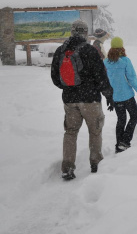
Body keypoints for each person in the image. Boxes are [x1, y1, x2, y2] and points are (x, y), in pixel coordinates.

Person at [51, 20, 114, 180]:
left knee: (70, 132)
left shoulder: (60, 51)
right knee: (95, 131)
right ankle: (96, 163)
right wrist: (108, 94)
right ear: (85, 33)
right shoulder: (90, 51)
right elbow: (101, 75)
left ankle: (67, 167)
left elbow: (55, 77)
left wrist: (69, 89)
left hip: (69, 100)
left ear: (72, 32)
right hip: (90, 99)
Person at [104, 37, 137, 153]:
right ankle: (125, 141)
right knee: (134, 116)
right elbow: (132, 79)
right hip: (127, 97)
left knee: (121, 120)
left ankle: (118, 144)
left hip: (115, 98)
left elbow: (104, 81)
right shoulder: (125, 61)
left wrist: (109, 97)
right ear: (122, 47)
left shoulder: (106, 62)